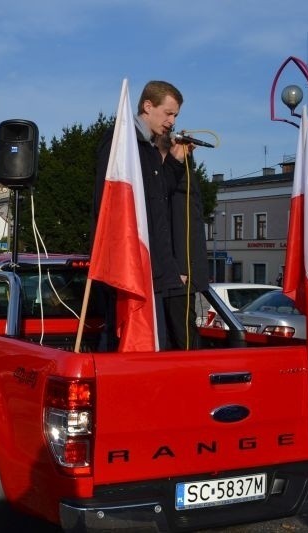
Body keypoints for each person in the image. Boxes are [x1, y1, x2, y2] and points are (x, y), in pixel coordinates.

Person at [93, 80, 208, 351]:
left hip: (151, 271)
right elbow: (114, 206)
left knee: (155, 346)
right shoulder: (122, 143)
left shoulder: (149, 149)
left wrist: (177, 161)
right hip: (130, 268)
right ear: (147, 106)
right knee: (129, 342)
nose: (172, 121)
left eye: (176, 115)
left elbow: (158, 202)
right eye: (168, 113)